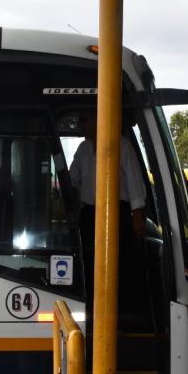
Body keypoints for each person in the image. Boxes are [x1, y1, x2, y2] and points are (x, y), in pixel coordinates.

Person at [68, 112, 148, 312]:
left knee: (118, 263)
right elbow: (72, 180)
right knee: (88, 262)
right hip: (89, 215)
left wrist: (137, 216)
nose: (81, 124)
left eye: (85, 119)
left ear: (98, 119)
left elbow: (134, 182)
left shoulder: (121, 145)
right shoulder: (84, 148)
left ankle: (119, 311)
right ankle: (92, 308)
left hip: (116, 213)